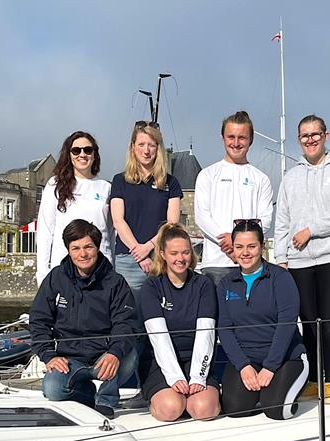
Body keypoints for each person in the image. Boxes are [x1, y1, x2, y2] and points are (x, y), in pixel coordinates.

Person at [274, 114, 330, 405]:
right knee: (308, 321)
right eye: (304, 136)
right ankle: (312, 381)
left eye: (315, 134)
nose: (310, 140)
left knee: (329, 319)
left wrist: (311, 230)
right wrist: (280, 258)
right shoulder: (291, 177)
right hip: (298, 262)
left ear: (326, 135)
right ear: (300, 140)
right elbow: (282, 219)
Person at [29, 219, 136, 416]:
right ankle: (86, 393)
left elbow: (125, 323)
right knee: (52, 389)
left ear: (97, 247)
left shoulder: (115, 282)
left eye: (88, 247)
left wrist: (114, 352)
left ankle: (107, 400)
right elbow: (38, 320)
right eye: (76, 248)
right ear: (68, 250)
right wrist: (48, 355)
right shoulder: (56, 278)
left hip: (104, 356)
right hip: (70, 359)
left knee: (130, 355)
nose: (83, 254)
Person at [110, 122, 183, 384]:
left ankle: (152, 387)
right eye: (141, 144)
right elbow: (118, 221)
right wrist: (137, 253)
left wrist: (149, 249)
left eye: (152, 145)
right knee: (131, 325)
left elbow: (171, 224)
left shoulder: (170, 183)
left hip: (159, 260)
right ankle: (122, 385)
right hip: (127, 262)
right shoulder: (119, 181)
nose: (147, 150)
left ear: (159, 148)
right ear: (133, 147)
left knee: (158, 325)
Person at [217, 220, 309, 419]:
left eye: (252, 246)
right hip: (248, 360)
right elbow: (224, 328)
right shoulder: (226, 284)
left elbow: (286, 324)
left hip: (284, 358)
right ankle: (259, 392)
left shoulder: (280, 278)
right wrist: (243, 365)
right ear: (232, 248)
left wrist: (270, 367)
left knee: (276, 410)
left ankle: (278, 390)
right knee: (235, 409)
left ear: (262, 246)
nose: (245, 253)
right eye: (239, 247)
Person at [139, 223, 220, 422]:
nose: (180, 258)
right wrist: (174, 377)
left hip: (196, 359)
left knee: (204, 410)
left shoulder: (203, 284)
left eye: (185, 252)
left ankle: (190, 399)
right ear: (163, 254)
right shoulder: (152, 286)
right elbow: (159, 337)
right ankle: (163, 398)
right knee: (170, 409)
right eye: (174, 253)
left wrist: (198, 377)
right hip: (161, 362)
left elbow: (206, 333)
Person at [194, 110, 273, 285]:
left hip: (250, 264)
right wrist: (228, 243)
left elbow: (265, 219)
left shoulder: (261, 178)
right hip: (216, 264)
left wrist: (240, 242)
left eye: (242, 138)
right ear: (223, 138)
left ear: (250, 140)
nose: (236, 143)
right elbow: (202, 216)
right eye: (231, 137)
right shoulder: (207, 175)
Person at [36, 131, 111, 287]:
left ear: (94, 154)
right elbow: (45, 231)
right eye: (76, 150)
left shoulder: (106, 188)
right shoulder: (55, 185)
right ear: (68, 154)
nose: (82, 154)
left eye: (87, 150)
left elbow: (111, 234)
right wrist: (43, 274)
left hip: (100, 270)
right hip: (64, 269)